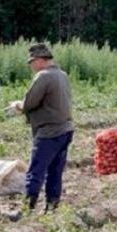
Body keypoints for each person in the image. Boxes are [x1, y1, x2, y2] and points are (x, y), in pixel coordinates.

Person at [7, 43, 74, 221]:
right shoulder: (62, 75)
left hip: (49, 132)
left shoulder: (43, 76)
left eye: (32, 62)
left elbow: (29, 103)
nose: (31, 66)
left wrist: (16, 105)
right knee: (55, 171)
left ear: (40, 60)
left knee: (36, 171)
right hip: (65, 130)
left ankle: (26, 210)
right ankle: (52, 207)